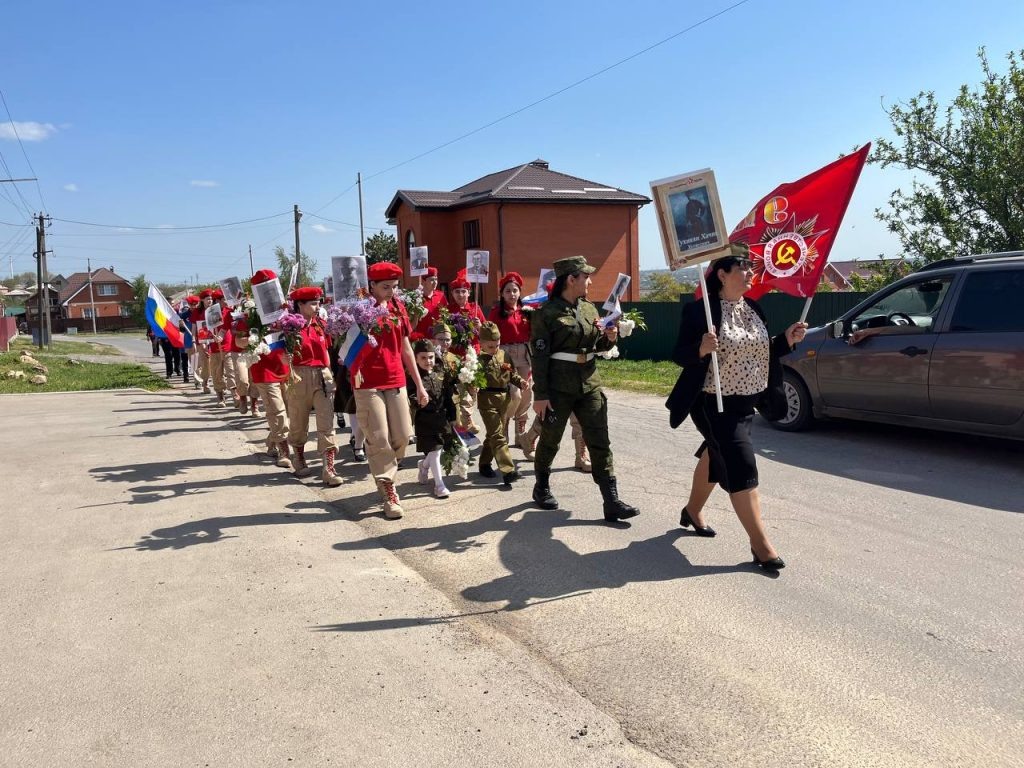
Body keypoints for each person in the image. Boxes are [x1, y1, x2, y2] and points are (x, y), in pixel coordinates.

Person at [665, 244, 807, 571]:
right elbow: (680, 354)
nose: (749, 272)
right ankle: (761, 545)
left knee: (716, 455)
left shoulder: (753, 308)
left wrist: (786, 339)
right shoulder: (701, 311)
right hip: (712, 402)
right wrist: (700, 349)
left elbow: (760, 351)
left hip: (746, 403)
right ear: (722, 274)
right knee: (741, 465)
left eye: (750, 267)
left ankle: (692, 511)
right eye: (742, 267)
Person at [529, 255, 638, 523]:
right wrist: (540, 395)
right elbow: (539, 356)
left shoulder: (589, 309)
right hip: (558, 388)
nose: (590, 281)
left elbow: (596, 346)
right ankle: (541, 486)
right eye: (585, 276)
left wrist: (609, 338)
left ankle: (611, 501)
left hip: (589, 384)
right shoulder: (546, 314)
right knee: (551, 439)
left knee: (600, 440)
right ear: (571, 279)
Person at [350, 260, 429, 520]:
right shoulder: (359, 310)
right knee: (379, 435)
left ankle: (386, 471)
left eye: (394, 286)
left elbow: (406, 348)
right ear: (371, 286)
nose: (391, 291)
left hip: (395, 378)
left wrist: (419, 384)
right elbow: (347, 349)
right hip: (367, 382)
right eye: (386, 287)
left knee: (403, 436)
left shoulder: (398, 307)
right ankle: (387, 489)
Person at [285, 285, 343, 487]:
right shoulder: (289, 327)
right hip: (298, 375)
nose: (317, 306)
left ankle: (329, 468)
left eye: (318, 302)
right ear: (300, 305)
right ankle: (299, 457)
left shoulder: (322, 325)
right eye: (312, 303)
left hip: (322, 375)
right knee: (298, 421)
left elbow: (328, 351)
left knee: (326, 423)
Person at [248, 270, 294, 471]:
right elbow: (240, 339)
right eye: (263, 288)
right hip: (264, 372)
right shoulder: (249, 314)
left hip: (285, 369)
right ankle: (284, 452)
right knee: (277, 412)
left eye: (271, 287)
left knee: (288, 412)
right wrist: (252, 341)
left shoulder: (287, 312)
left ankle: (271, 441)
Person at [476, 321, 527, 486]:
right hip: (487, 400)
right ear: (482, 344)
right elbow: (470, 381)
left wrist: (521, 382)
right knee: (498, 435)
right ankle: (508, 470)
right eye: (490, 346)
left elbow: (512, 374)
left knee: (492, 434)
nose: (494, 349)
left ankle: (484, 464)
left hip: (504, 400)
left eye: (497, 345)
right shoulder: (477, 360)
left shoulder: (504, 355)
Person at [407, 336, 457, 499]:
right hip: (425, 420)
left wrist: (453, 416)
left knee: (438, 450)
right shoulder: (413, 377)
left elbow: (448, 396)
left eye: (430, 357)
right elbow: (409, 397)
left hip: (442, 418)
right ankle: (439, 485)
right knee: (435, 451)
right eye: (423, 357)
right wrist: (418, 401)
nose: (428, 361)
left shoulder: (440, 372)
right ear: (415, 358)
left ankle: (423, 465)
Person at [488, 272, 533, 447]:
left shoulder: (527, 312)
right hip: (505, 354)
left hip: (524, 354)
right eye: (508, 291)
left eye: (515, 290)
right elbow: (489, 334)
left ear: (520, 292)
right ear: (502, 294)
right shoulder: (495, 313)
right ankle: (504, 422)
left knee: (526, 393)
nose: (512, 294)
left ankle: (520, 434)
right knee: (515, 394)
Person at [414, 267, 447, 335]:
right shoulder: (416, 297)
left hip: (438, 337)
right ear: (423, 281)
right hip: (422, 337)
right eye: (432, 280)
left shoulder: (441, 296)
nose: (435, 282)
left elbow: (446, 315)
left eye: (436, 279)